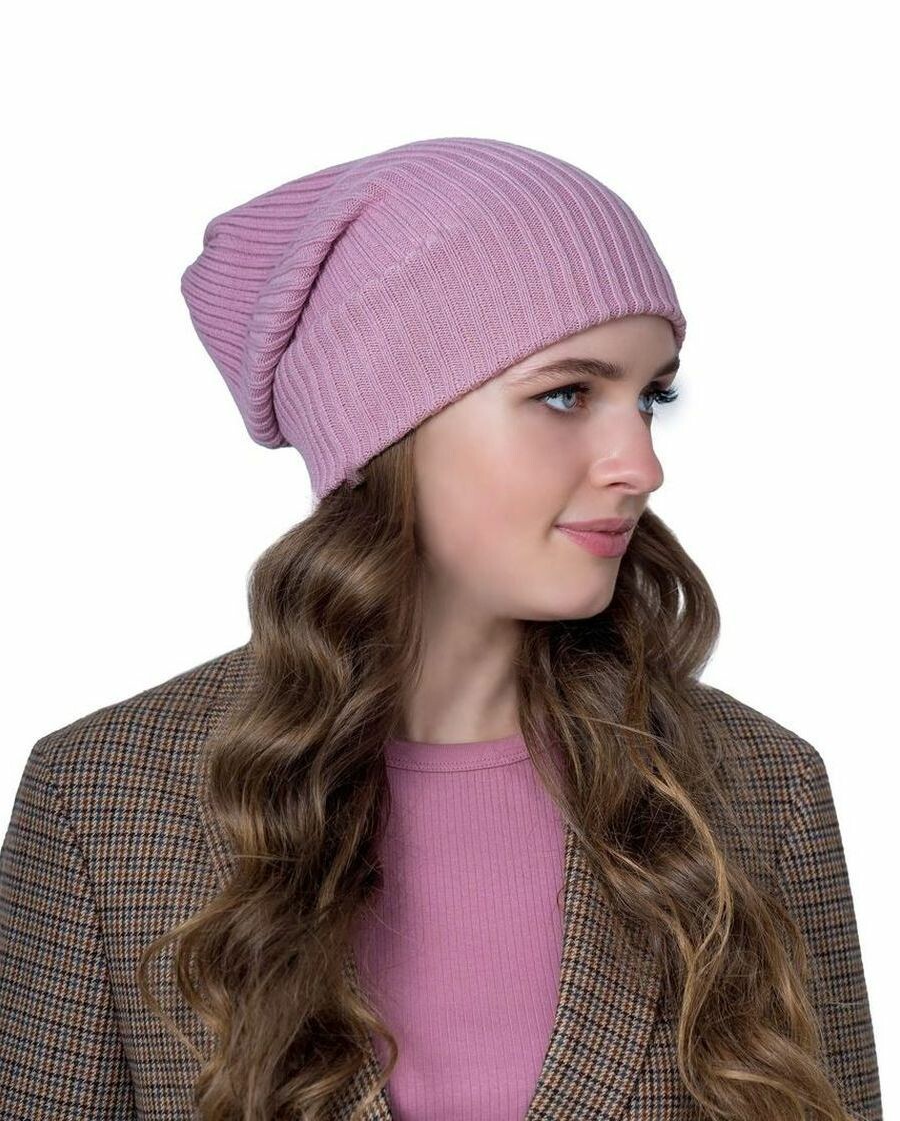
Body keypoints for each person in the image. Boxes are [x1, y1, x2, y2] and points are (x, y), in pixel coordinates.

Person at [0, 136, 882, 1120]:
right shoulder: (105, 800)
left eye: (651, 396)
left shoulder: (761, 787)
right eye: (566, 394)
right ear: (386, 428)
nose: (641, 463)